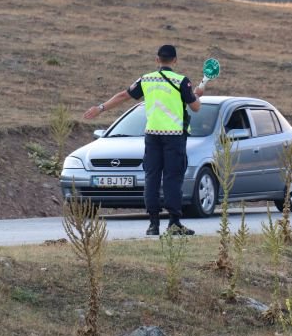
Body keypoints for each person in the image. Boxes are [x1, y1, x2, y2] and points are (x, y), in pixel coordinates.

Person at [83, 44, 203, 236]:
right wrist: (196, 95)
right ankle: (174, 222)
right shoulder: (181, 81)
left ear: (157, 60)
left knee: (151, 178)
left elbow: (124, 95)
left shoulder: (146, 79)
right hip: (174, 137)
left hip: (152, 136)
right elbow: (195, 107)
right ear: (175, 60)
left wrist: (100, 108)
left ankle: (153, 224)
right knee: (172, 178)